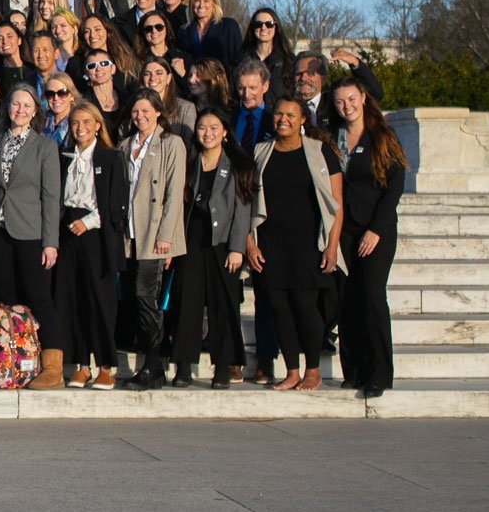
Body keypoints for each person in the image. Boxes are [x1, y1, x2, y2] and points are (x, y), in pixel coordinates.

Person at [246, 97, 344, 391]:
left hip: (308, 243)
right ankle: (291, 371)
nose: (283, 119)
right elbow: (247, 201)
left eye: (291, 114)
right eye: (278, 113)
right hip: (271, 243)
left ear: (303, 119)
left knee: (305, 306)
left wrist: (331, 246)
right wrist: (250, 244)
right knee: (279, 307)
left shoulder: (319, 151)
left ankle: (312, 370)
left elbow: (336, 204)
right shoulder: (260, 152)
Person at [0, 87, 64, 390]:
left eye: (27, 105)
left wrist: (50, 241)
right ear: (8, 107)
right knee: (7, 301)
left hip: (31, 232)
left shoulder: (45, 147)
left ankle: (53, 369)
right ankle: (11, 362)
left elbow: (51, 197)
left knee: (39, 298)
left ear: (34, 111)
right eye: (16, 103)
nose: (21, 110)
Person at [332, 78, 405, 398]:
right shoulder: (333, 137)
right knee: (347, 300)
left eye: (351, 99)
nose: (346, 106)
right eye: (339, 101)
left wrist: (376, 229)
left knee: (372, 297)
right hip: (344, 228)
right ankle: (354, 369)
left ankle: (379, 372)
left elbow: (395, 184)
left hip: (376, 228)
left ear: (363, 98)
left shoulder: (382, 135)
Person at [171, 109, 254, 389]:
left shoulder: (237, 165)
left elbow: (243, 210)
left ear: (225, 132)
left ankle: (223, 366)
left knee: (223, 305)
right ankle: (183, 366)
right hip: (191, 240)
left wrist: (237, 248)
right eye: (202, 127)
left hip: (222, 243)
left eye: (214, 127)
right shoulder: (189, 161)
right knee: (187, 302)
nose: (208, 133)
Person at [120, 92, 187, 390]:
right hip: (130, 233)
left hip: (154, 233)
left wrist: (166, 237)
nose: (140, 116)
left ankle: (154, 364)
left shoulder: (171, 143)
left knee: (146, 295)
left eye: (145, 110)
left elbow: (174, 194)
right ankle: (152, 363)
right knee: (136, 297)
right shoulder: (126, 145)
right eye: (135, 111)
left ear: (158, 112)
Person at [176, 0, 242, 70]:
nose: (201, 5)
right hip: (192, 81)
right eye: (197, 1)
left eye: (206, 1)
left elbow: (239, 61)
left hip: (222, 81)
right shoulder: (184, 31)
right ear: (192, 4)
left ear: (214, 4)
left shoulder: (228, 26)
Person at [243, 8, 297, 100]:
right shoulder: (242, 60)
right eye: (258, 24)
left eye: (269, 24)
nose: (263, 28)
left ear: (276, 27)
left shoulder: (289, 61)